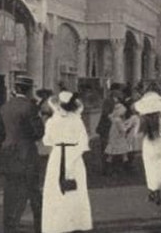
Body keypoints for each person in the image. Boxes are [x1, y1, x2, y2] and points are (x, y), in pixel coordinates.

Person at [0, 76, 44, 233]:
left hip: (8, 155)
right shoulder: (30, 107)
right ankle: (40, 228)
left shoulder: (4, 107)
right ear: (29, 90)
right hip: (27, 156)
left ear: (16, 89)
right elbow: (38, 132)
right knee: (33, 194)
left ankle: (9, 228)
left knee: (10, 194)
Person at [42, 91, 92, 233]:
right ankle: (76, 223)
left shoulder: (52, 121)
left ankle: (56, 225)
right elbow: (84, 142)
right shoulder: (77, 120)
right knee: (76, 189)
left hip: (57, 156)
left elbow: (47, 141)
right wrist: (72, 157)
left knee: (55, 190)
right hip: (74, 156)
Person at [135, 91, 161, 205]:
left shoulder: (142, 118)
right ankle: (157, 193)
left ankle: (151, 192)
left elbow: (137, 134)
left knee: (149, 168)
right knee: (160, 168)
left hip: (148, 143)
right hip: (160, 142)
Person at [96, 85, 122, 175]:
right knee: (106, 148)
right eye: (118, 90)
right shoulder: (108, 101)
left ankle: (114, 168)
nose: (120, 93)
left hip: (115, 128)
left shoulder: (118, 101)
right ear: (113, 91)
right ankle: (106, 169)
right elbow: (106, 113)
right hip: (106, 128)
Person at [104, 99, 131, 173]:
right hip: (119, 138)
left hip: (114, 137)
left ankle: (108, 168)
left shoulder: (114, 119)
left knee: (112, 153)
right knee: (123, 152)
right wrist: (127, 127)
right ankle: (125, 167)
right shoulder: (118, 120)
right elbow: (122, 129)